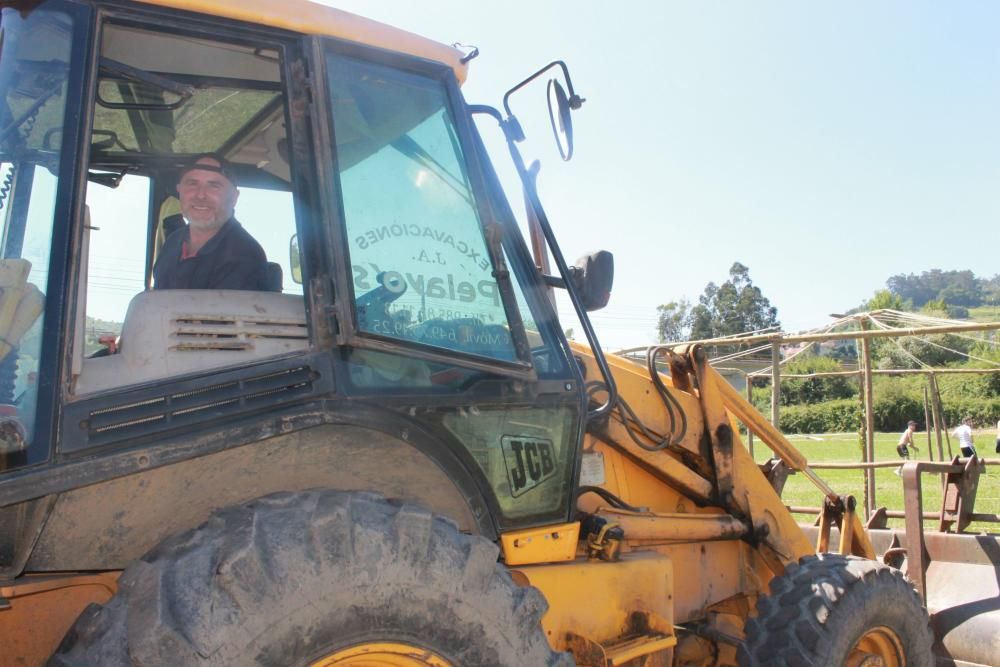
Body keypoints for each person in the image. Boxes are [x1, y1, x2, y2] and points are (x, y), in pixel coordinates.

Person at [153, 154, 269, 291]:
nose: (200, 195)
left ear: (233, 198)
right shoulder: (173, 243)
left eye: (214, 186)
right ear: (180, 191)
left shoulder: (244, 255)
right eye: (192, 184)